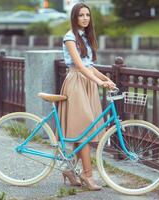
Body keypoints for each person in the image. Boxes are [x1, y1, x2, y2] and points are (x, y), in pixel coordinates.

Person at [58, 2, 115, 191]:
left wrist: (105, 78)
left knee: (82, 128)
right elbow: (79, 67)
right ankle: (87, 175)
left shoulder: (85, 37)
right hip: (76, 82)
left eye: (87, 15)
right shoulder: (70, 37)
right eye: (81, 15)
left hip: (87, 82)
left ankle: (68, 169)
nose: (85, 18)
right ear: (74, 17)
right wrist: (99, 83)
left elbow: (89, 65)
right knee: (85, 126)